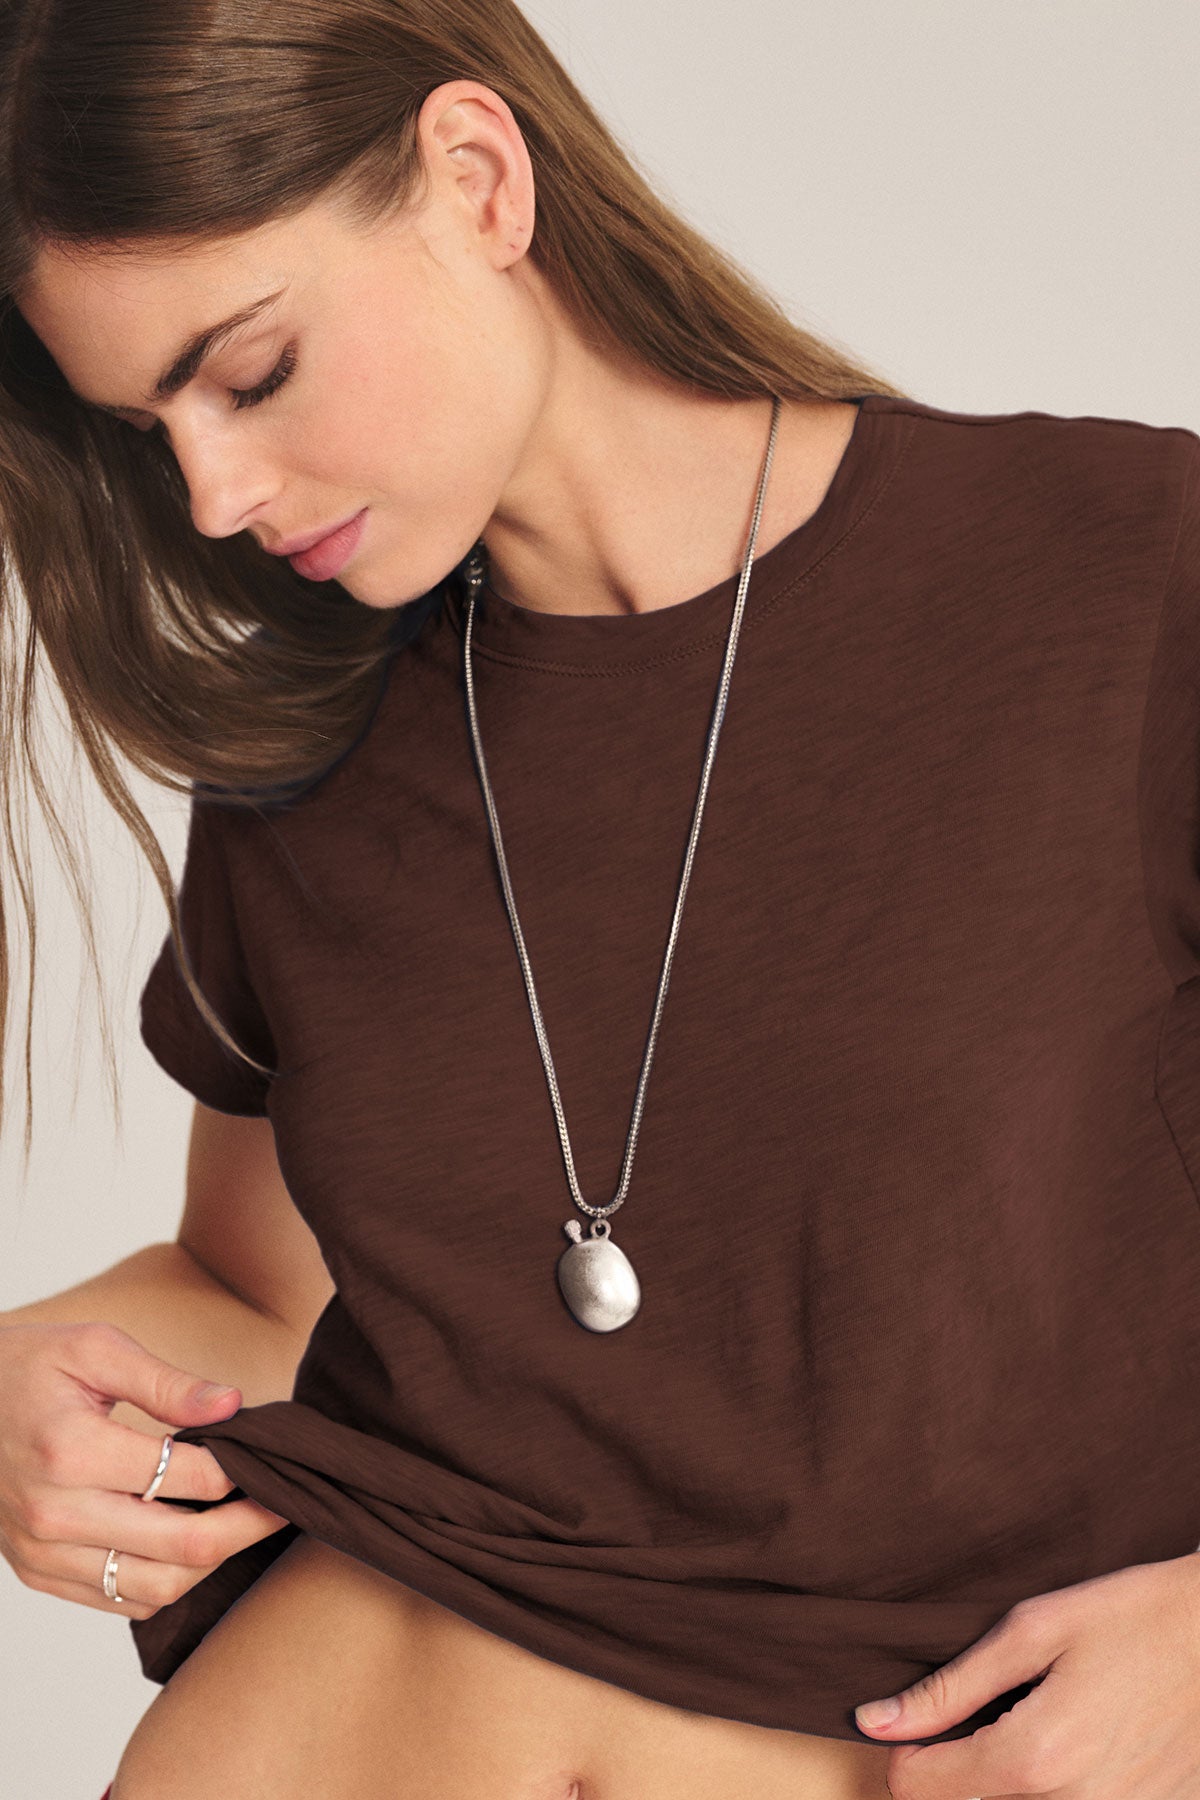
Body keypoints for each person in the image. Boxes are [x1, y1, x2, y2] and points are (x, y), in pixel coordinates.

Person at [2, 3, 1200, 1799]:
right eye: (146, 422)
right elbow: (252, 1294)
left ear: (475, 179)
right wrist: (16, 1380)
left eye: (249, 373)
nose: (215, 492)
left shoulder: (1131, 577)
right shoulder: (307, 761)